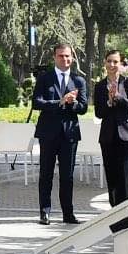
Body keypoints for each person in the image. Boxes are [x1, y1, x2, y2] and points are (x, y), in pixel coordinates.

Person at [31, 44, 85, 225]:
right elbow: (37, 103)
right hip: (48, 133)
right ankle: (44, 212)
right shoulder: (45, 78)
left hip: (69, 134)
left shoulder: (79, 81)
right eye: (61, 56)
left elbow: (84, 108)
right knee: (46, 173)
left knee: (67, 175)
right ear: (54, 57)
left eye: (68, 56)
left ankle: (68, 213)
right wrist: (59, 102)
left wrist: (73, 102)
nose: (65, 59)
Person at [93, 50, 128, 206]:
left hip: (127, 136)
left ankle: (125, 212)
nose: (112, 65)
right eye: (109, 61)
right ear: (105, 63)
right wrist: (108, 102)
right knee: (112, 176)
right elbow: (99, 113)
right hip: (108, 137)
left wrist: (119, 98)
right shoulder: (100, 86)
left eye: (115, 61)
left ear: (121, 63)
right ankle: (114, 211)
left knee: (125, 177)